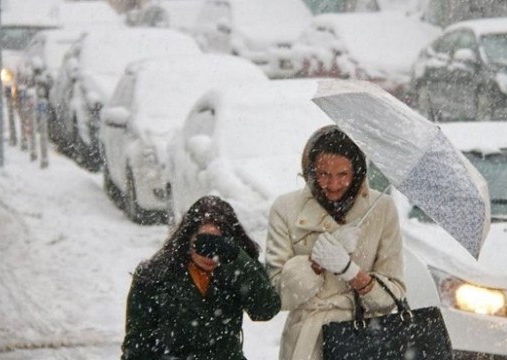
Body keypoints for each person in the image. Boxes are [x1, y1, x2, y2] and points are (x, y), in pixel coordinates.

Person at [265, 125, 406, 360]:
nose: (333, 185)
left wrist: (351, 271)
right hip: (306, 340)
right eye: (323, 174)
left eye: (343, 175)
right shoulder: (286, 208)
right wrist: (315, 263)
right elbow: (277, 293)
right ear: (311, 171)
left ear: (357, 172)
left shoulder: (381, 209)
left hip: (362, 339)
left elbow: (394, 296)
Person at [121, 195, 281, 360]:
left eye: (218, 245)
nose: (211, 255)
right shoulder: (156, 276)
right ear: (187, 238)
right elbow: (136, 346)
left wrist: (237, 257)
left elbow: (265, 309)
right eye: (203, 244)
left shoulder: (236, 270)